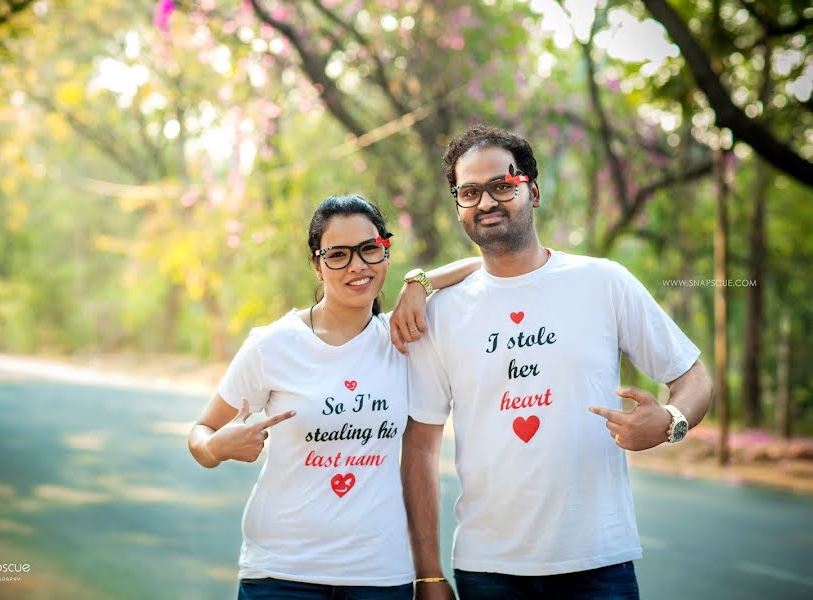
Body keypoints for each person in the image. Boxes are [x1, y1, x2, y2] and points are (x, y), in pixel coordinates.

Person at [393, 125, 713, 600]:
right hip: (488, 567)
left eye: (503, 185)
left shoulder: (604, 283)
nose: (486, 202)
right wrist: (429, 574)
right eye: (470, 192)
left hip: (599, 564)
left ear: (533, 190)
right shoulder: (440, 312)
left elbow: (693, 376)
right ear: (458, 204)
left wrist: (672, 421)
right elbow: (419, 448)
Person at [188, 194, 481, 600]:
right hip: (281, 575)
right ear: (317, 263)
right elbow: (201, 433)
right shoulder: (273, 345)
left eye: (369, 250)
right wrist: (217, 447)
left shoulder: (404, 340)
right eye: (338, 255)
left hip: (379, 577)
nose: (357, 266)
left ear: (385, 251)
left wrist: (420, 282)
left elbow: (488, 266)